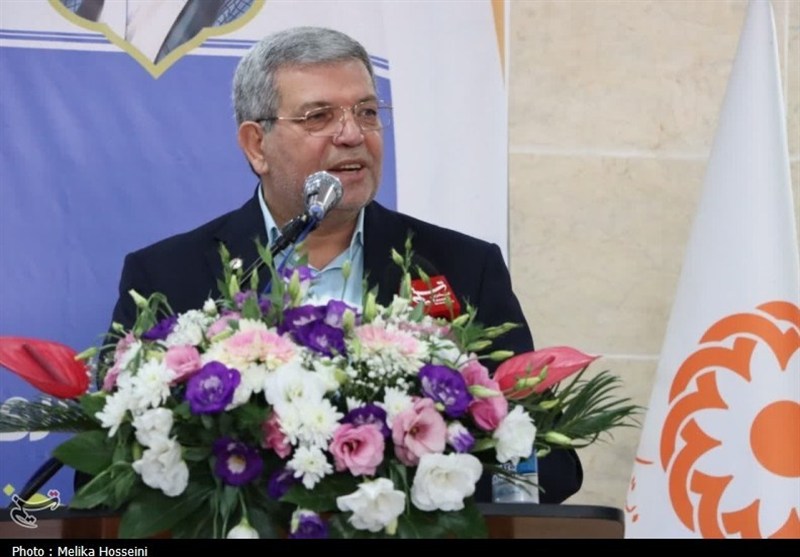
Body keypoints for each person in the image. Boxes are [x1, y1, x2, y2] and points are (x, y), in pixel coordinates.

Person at [107, 26, 582, 504]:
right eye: (319, 116)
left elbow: (551, 464)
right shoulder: (169, 276)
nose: (353, 134)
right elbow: (107, 473)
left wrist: (425, 470)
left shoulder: (462, 267)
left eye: (367, 112)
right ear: (256, 145)